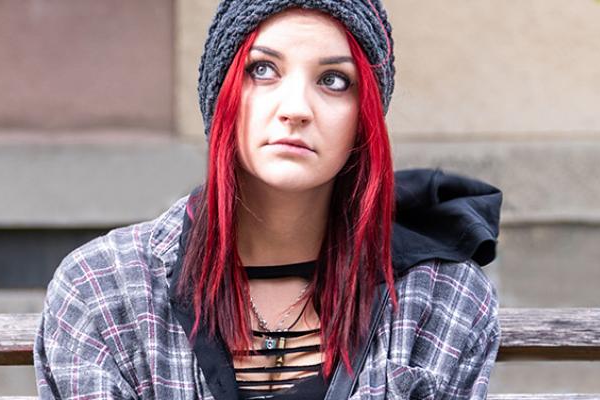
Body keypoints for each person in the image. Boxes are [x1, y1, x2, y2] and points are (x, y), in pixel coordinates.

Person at [35, 1, 502, 398]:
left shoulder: (438, 299)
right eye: (263, 70)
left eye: (334, 80)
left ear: (365, 120)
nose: (295, 109)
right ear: (222, 94)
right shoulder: (106, 293)